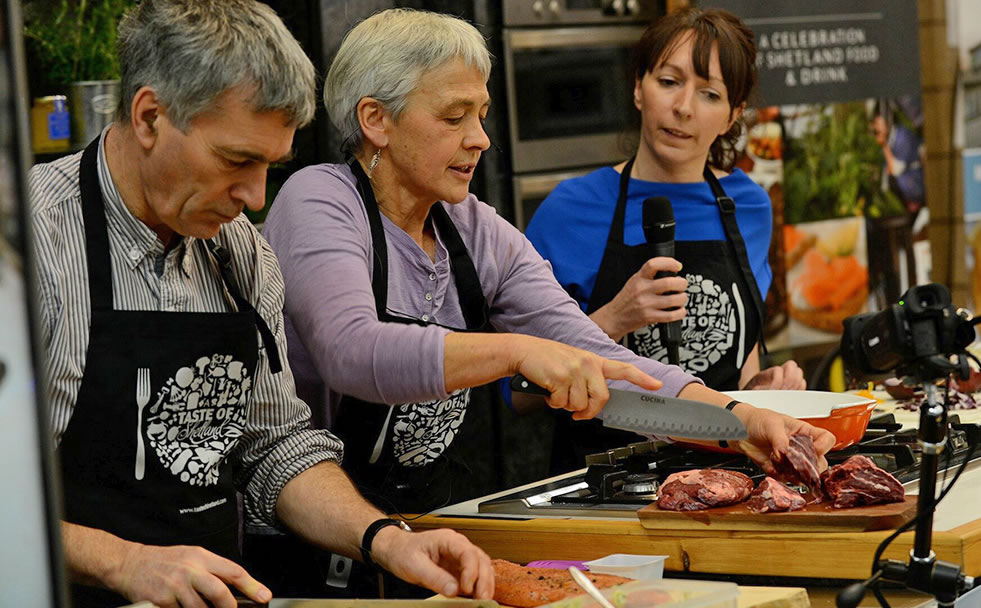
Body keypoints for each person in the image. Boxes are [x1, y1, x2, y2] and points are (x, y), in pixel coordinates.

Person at [263, 8, 834, 577]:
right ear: (376, 120)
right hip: (309, 544)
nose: (481, 139)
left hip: (427, 528)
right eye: (455, 116)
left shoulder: (471, 227)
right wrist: (515, 350)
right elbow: (350, 351)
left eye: (482, 115)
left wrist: (741, 420)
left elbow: (601, 358)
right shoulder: (319, 199)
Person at [28, 2, 493, 606]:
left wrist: (384, 538)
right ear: (149, 117)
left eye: (271, 166)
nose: (253, 199)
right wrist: (124, 562)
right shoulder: (31, 244)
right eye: (236, 160)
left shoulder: (240, 253)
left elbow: (274, 445)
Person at [525, 8, 807, 465]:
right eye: (669, 81)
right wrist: (616, 317)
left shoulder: (748, 206)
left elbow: (742, 352)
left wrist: (756, 393)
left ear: (733, 115)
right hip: (606, 487)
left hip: (730, 477)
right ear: (639, 88)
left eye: (710, 93)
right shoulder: (570, 210)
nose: (684, 108)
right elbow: (516, 391)